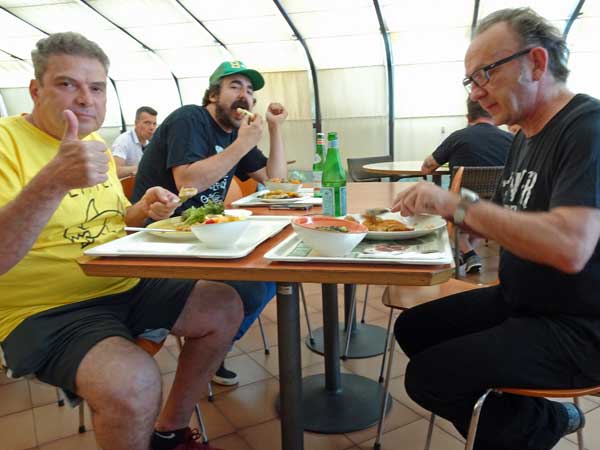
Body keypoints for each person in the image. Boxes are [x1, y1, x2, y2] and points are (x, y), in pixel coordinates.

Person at [0, 32, 242, 450]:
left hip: (122, 281)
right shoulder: (6, 143)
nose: (84, 98)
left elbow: (111, 221)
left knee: (224, 304)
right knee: (133, 381)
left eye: (96, 88)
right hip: (46, 309)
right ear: (35, 90)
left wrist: (142, 208)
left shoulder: (94, 144)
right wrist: (52, 181)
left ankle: (170, 432)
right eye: (66, 84)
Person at [392, 8, 600, 450]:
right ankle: (533, 419)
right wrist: (440, 216)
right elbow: (509, 220)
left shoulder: (589, 129)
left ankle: (538, 423)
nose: (478, 92)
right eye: (470, 80)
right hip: (523, 300)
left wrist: (457, 204)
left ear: (537, 63)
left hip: (581, 325)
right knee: (412, 329)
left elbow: (570, 246)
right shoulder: (523, 136)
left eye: (485, 73)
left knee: (429, 376)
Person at [132, 61, 288, 385]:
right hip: (160, 240)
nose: (244, 95)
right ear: (214, 93)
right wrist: (243, 144)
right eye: (235, 86)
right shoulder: (190, 118)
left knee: (272, 274)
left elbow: (276, 181)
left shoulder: (234, 134)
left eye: (249, 90)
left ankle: (212, 347)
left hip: (204, 237)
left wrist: (274, 127)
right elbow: (188, 179)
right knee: (256, 284)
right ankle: (168, 324)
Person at [421, 98, 513, 273]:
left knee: (456, 212)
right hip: (496, 207)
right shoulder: (510, 139)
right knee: (479, 221)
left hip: (461, 205)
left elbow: (427, 168)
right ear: (493, 114)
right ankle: (468, 254)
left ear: (468, 117)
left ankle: (468, 254)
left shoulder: (458, 137)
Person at [111, 105, 157, 178]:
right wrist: (142, 168)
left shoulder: (151, 143)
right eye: (147, 123)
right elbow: (116, 171)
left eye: (154, 124)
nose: (152, 127)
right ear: (136, 123)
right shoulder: (123, 141)